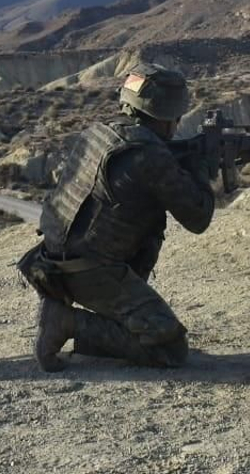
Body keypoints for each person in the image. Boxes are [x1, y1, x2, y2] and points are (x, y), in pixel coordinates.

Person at [18, 63, 216, 371]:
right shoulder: (149, 156)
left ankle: (90, 326)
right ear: (168, 117)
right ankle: (67, 322)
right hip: (89, 272)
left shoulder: (101, 133)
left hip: (51, 261)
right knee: (170, 349)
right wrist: (201, 169)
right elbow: (198, 219)